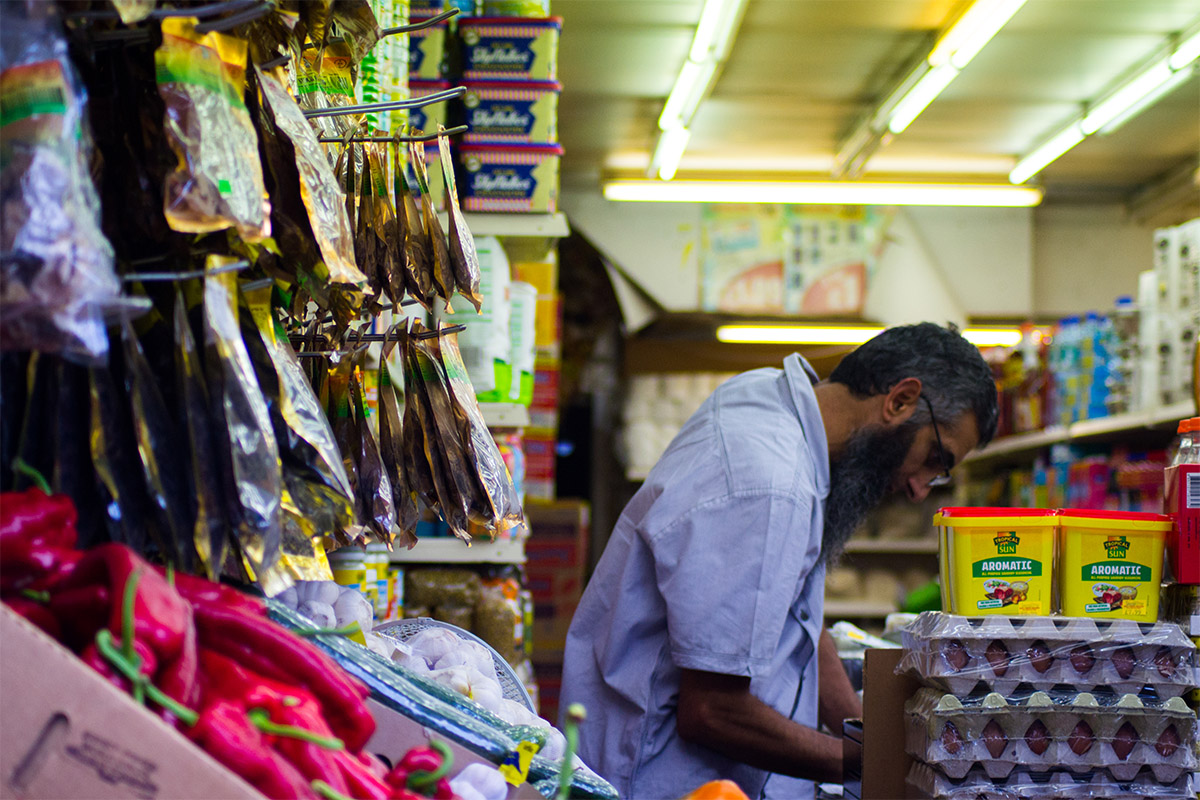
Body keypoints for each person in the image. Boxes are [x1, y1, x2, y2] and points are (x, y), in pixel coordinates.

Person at [560, 323, 999, 799]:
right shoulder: (770, 486)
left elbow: (797, 615)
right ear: (900, 400)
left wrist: (864, 729)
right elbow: (712, 710)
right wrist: (878, 765)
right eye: (934, 458)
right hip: (663, 783)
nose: (918, 489)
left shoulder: (772, 402)